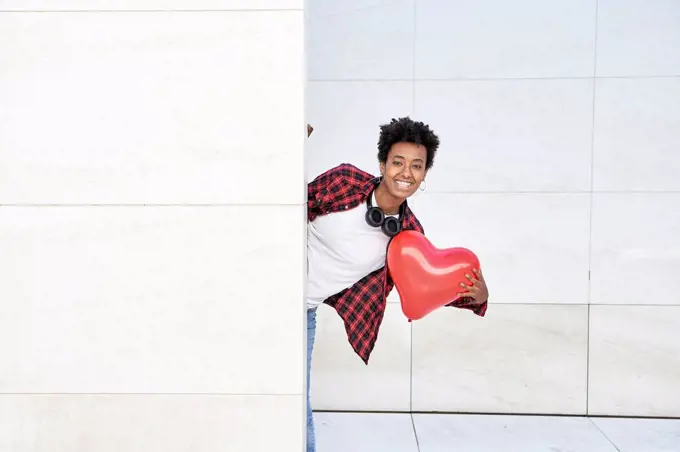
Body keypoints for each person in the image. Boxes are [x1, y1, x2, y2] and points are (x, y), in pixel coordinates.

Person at [305, 117, 489, 452]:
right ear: (383, 164)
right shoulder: (344, 181)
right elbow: (287, 205)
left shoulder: (407, 237)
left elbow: (432, 282)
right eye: (398, 163)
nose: (406, 173)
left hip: (301, 314)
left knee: (294, 405)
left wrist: (478, 295)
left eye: (417, 166)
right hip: (265, 289)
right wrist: (286, 151)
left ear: (424, 175)